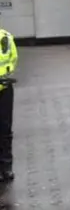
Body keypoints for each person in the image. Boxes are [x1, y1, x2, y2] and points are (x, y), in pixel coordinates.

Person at [0, 27, 18, 182]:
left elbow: (13, 59)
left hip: (4, 89)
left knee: (5, 130)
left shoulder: (5, 37)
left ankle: (6, 166)